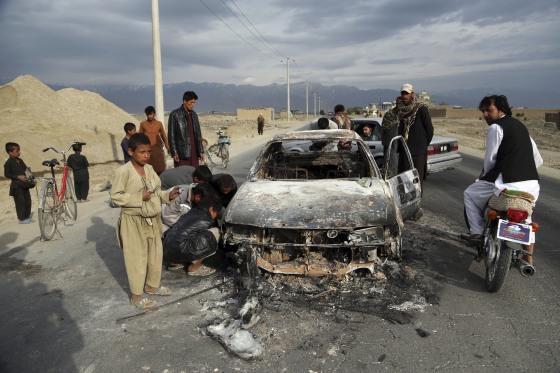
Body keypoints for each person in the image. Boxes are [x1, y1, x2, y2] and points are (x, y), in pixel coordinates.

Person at [463, 95, 542, 264]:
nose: (485, 114)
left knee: (469, 193)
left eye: (488, 110)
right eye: (483, 111)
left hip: (507, 182)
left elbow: (490, 160)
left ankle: (476, 232)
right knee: (526, 216)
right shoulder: (521, 127)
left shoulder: (496, 128)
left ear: (501, 110)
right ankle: (528, 260)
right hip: (531, 185)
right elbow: (538, 159)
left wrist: (483, 176)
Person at [110, 133, 181, 309]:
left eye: (148, 152)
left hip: (152, 220)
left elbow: (156, 192)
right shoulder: (123, 172)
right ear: (130, 151)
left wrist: (167, 196)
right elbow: (115, 197)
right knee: (136, 258)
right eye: (142, 152)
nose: (146, 155)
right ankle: (136, 295)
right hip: (133, 221)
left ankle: (152, 286)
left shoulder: (149, 169)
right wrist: (138, 197)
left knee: (155, 254)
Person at [163, 194, 222, 276]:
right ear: (211, 209)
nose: (215, 217)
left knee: (183, 235)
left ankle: (175, 263)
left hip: (167, 249)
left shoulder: (191, 212)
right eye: (216, 213)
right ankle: (194, 267)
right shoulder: (207, 218)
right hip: (181, 248)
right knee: (216, 232)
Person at [397, 84, 434, 184]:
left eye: (407, 94)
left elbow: (430, 130)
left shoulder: (421, 109)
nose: (404, 96)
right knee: (404, 181)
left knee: (416, 182)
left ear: (412, 94)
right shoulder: (402, 111)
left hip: (418, 153)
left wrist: (422, 145)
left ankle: (417, 200)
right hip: (404, 151)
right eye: (403, 93)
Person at [167, 91, 204, 168]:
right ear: (184, 101)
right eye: (191, 102)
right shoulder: (175, 114)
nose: (193, 105)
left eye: (194, 103)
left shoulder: (194, 115)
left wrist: (200, 150)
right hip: (182, 152)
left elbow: (198, 134)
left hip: (194, 151)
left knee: (194, 174)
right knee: (182, 175)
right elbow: (171, 135)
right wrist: (174, 152)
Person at [4, 142, 34, 224]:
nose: (19, 152)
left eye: (19, 150)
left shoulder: (20, 160)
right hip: (16, 186)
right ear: (10, 152)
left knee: (28, 201)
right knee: (20, 203)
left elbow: (26, 170)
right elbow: (7, 174)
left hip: (24, 185)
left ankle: (27, 217)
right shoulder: (8, 163)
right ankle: (22, 219)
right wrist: (18, 177)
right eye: (17, 151)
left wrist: (32, 177)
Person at [139, 106, 170, 175]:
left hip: (158, 149)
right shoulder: (143, 124)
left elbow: (163, 135)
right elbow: (140, 136)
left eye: (151, 114)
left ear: (154, 114)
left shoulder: (159, 123)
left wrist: (167, 145)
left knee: (160, 167)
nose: (149, 116)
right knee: (149, 170)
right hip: (148, 149)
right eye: (147, 114)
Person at [382, 97, 403, 178]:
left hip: (403, 149)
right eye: (398, 103)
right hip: (391, 148)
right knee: (392, 171)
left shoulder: (408, 114)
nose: (399, 105)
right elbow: (385, 131)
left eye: (401, 104)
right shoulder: (389, 115)